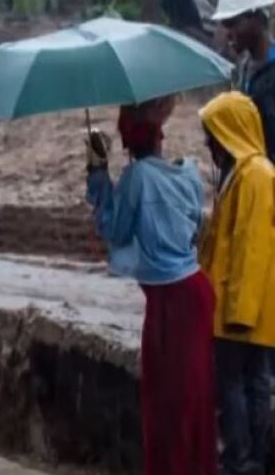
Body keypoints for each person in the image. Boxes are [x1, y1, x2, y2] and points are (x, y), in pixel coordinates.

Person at [85, 98, 216, 475]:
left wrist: (98, 175)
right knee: (194, 398)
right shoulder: (188, 172)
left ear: (127, 142)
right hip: (193, 292)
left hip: (171, 303)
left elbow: (115, 230)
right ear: (160, 135)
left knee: (167, 403)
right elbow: (192, 226)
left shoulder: (137, 178)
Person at [199, 91, 275, 475]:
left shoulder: (256, 175)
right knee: (248, 380)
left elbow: (252, 246)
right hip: (235, 302)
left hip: (243, 307)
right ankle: (247, 456)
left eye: (212, 134)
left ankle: (245, 458)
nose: (208, 143)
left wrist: (239, 311)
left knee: (242, 383)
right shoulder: (240, 175)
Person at [214, 0, 275, 156]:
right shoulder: (243, 69)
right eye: (224, 25)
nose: (227, 34)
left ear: (256, 18)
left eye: (232, 24)